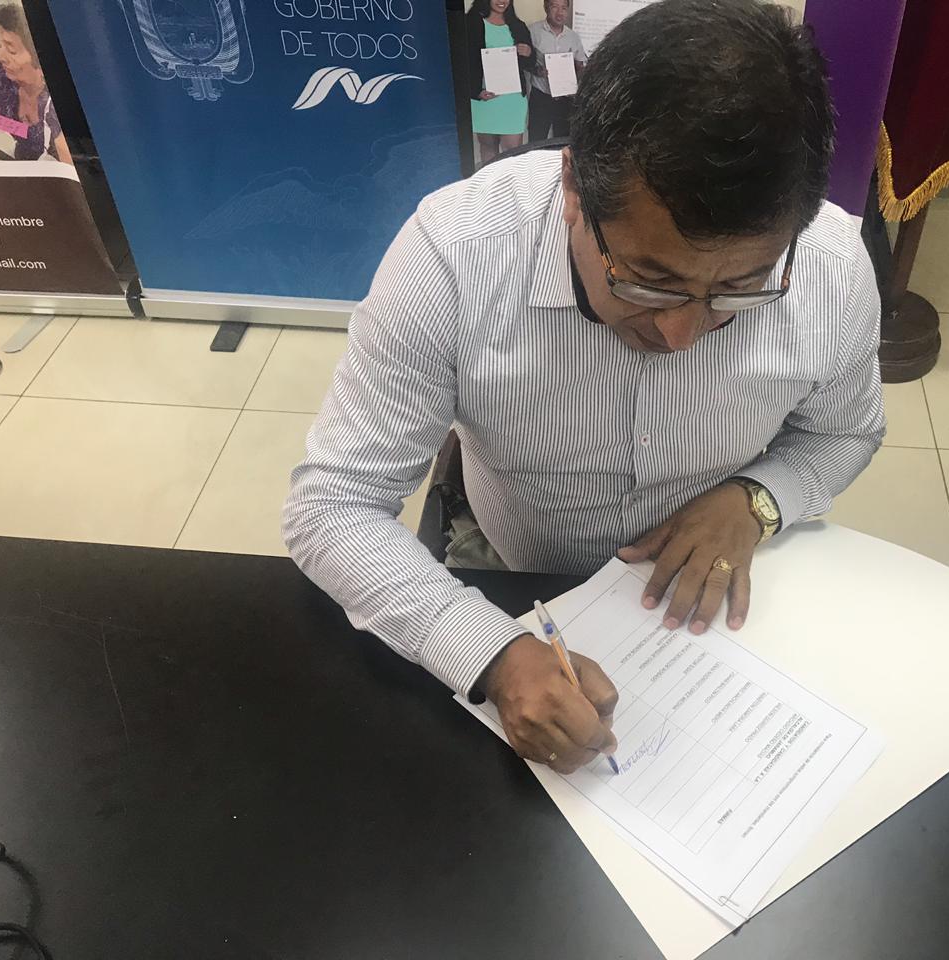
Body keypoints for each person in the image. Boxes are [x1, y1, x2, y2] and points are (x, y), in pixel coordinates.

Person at [285, 0, 883, 775]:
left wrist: (759, 499)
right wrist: (491, 652)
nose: (682, 335)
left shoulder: (831, 269)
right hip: (514, 571)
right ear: (573, 187)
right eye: (649, 281)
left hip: (720, 590)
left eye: (740, 290)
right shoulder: (455, 256)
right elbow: (333, 505)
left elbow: (844, 430)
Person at [0, 4, 70, 163]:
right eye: (0, 45)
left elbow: (71, 168)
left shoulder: (55, 103)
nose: (0, 56)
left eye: (11, 50)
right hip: (20, 164)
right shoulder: (6, 82)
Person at [465, 0, 534, 164]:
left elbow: (530, 64)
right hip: (484, 97)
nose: (502, 1)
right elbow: (463, 61)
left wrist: (529, 52)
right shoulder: (471, 22)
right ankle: (490, 181)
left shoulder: (518, 26)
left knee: (513, 152)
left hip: (512, 99)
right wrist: (475, 91)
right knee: (487, 147)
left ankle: (510, 182)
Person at [527, 0, 587, 142]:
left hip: (565, 100)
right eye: (555, 7)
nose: (560, 13)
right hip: (541, 96)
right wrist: (537, 71)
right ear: (546, 7)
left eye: (564, 8)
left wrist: (578, 76)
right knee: (536, 140)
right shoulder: (533, 31)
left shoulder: (573, 37)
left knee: (562, 142)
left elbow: (580, 64)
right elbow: (524, 62)